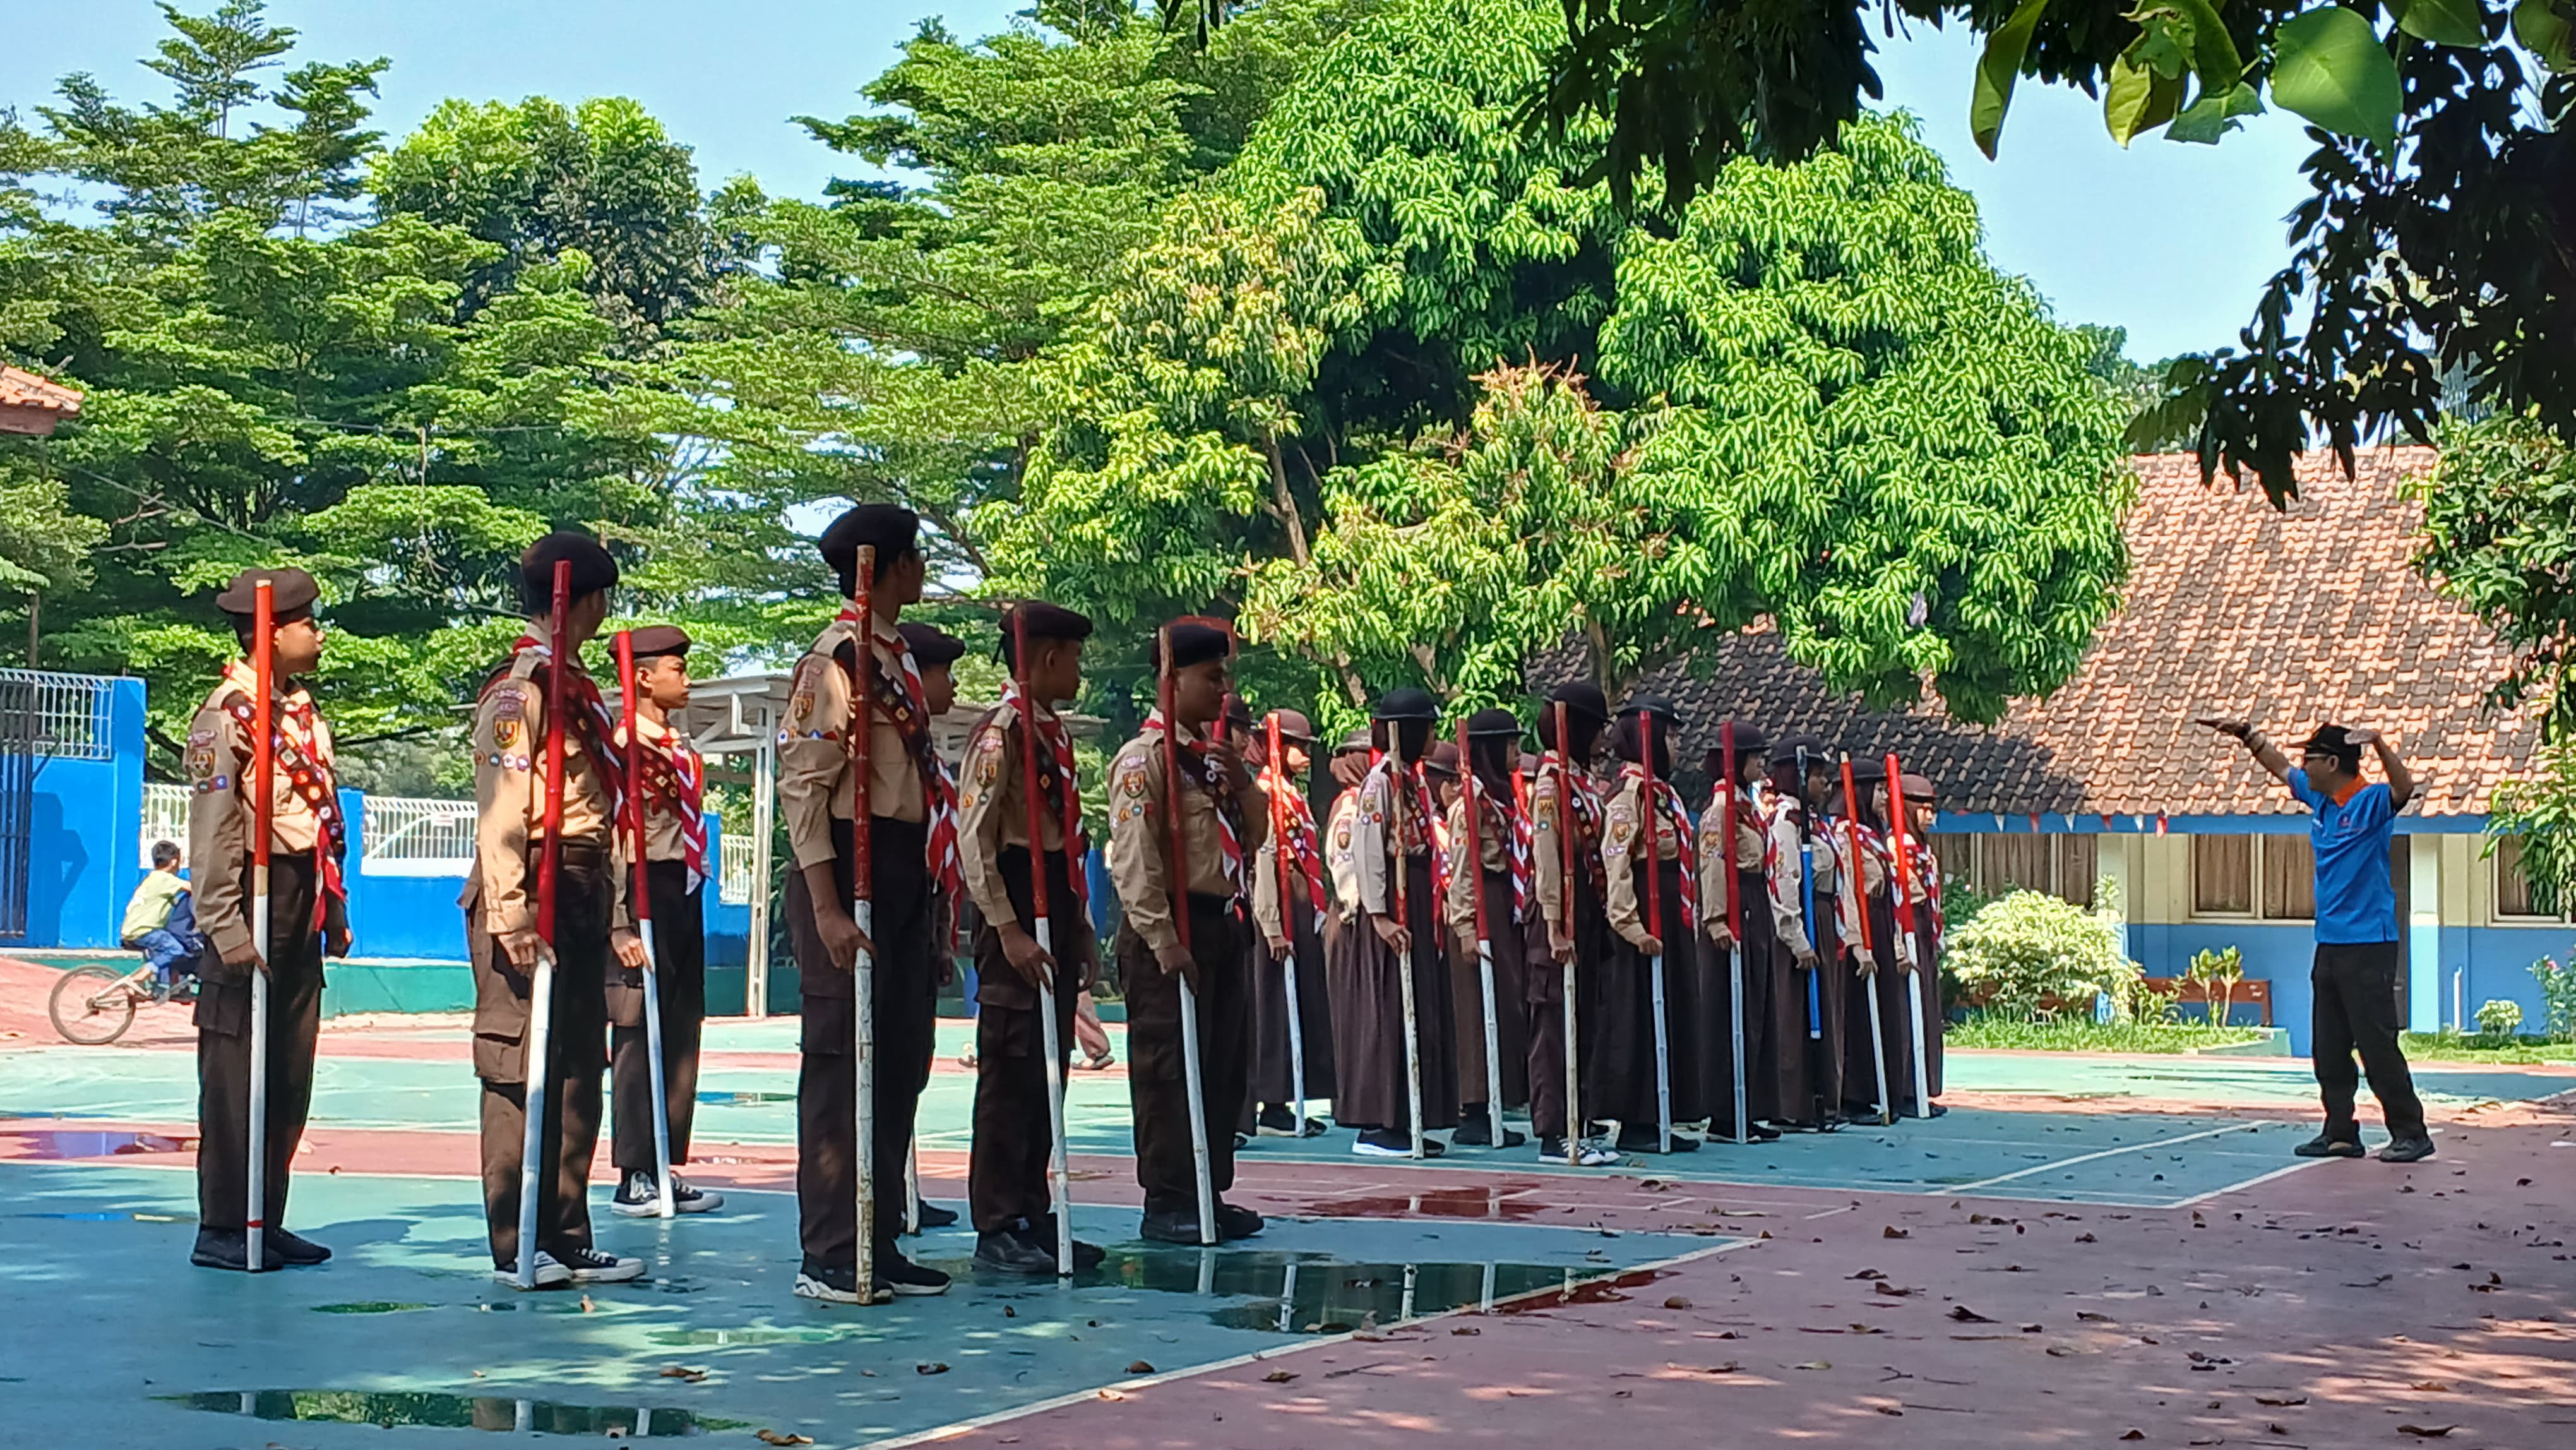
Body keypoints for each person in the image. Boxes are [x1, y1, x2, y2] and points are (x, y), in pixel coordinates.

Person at [778, 504, 955, 1301]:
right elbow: (805, 789)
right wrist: (825, 905)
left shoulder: (896, 660)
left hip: (899, 865)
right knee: (841, 1062)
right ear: (878, 570)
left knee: (899, 1058)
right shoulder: (836, 662)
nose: (922, 571)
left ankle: (877, 1235)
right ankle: (830, 1248)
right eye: (912, 558)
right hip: (847, 866)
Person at [463, 534, 649, 1291]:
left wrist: (609, 912)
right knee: (519, 1065)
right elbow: (503, 810)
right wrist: (509, 914)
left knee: (577, 1065)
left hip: (577, 882)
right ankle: (517, 1241)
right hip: (529, 878)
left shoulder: (578, 687)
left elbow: (600, 810)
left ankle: (566, 1232)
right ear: (585, 602)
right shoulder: (522, 690)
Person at [183, 566, 349, 1271]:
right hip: (249, 900)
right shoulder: (228, 713)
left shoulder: (299, 711)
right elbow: (216, 828)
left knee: (288, 1067)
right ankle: (225, 1222)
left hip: (298, 896)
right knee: (236, 1070)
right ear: (268, 632)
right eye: (305, 622)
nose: (316, 633)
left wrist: (331, 907)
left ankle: (265, 1212)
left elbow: (317, 820)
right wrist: (224, 925)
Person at [2201, 718, 2433, 1162]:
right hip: (2330, 941)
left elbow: (2404, 789)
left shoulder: (2369, 801)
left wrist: (2380, 744)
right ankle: (2341, 1133)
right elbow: (2281, 769)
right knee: (2328, 1046)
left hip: (2369, 944)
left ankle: (2411, 1133)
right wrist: (2248, 735)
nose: (2303, 765)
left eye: (2311, 757)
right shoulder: (2321, 800)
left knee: (2376, 1044)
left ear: (2332, 762)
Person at [1106, 619, 1268, 1241]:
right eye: (1211, 677)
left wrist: (1245, 781)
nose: (1222, 690)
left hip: (1223, 922)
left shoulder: (1212, 760)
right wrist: (1163, 939)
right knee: (1170, 1067)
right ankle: (1169, 1197)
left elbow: (1255, 837)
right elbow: (1134, 860)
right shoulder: (1145, 760)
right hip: (1171, 927)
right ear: (1173, 680)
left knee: (1221, 1066)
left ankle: (1209, 1186)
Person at [958, 601, 1106, 1276]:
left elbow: (1065, 840)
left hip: (1054, 891)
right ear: (1047, 657)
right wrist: (1008, 928)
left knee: (1049, 1070)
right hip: (1014, 895)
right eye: (1073, 656)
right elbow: (976, 839)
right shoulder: (1002, 736)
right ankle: (998, 1223)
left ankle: (1032, 1208)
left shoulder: (1050, 735)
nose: (1079, 670)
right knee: (1011, 1069)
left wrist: (1080, 923)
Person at [605, 625, 723, 1218]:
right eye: (677, 668)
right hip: (640, 881)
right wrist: (619, 920)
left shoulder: (678, 748)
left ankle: (663, 1161)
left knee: (681, 1024)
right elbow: (613, 834)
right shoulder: (625, 746)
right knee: (638, 1027)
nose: (688, 678)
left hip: (682, 883)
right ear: (644, 676)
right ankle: (633, 1171)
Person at [1332, 688, 1463, 1158]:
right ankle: (1379, 1125)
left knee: (1421, 1009)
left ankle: (1412, 1116)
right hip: (1392, 908)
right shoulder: (1380, 783)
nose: (1434, 736)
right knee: (1389, 1012)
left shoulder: (1414, 781)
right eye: (1427, 726)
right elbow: (1368, 851)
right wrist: (1381, 915)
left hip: (1421, 906)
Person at [1600, 695, 1704, 1153]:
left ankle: (1665, 1111)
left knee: (1673, 1012)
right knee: (1638, 1018)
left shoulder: (1664, 795)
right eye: (1669, 735)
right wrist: (1632, 925)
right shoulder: (1628, 797)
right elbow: (1616, 864)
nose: (1677, 745)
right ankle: (1638, 1120)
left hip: (1671, 918)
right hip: (1642, 919)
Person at [897, 620, 969, 1230]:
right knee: (886, 1059)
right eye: (944, 671)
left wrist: (944, 932)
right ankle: (885, 1191)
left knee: (915, 1056)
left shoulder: (934, 760)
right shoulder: (904, 749)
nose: (954, 685)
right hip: (895, 906)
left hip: (925, 913)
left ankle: (899, 1186)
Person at [1530, 683, 1617, 1166]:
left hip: (1585, 906)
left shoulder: (1580, 781)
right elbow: (1548, 856)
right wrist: (1553, 924)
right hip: (1558, 907)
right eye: (1598, 728)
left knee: (1582, 1017)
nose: (1604, 738)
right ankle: (1553, 1133)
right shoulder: (1551, 785)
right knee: (1554, 1020)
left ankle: (1577, 1123)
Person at [1445, 708, 1534, 1149]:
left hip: (1504, 903)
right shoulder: (1469, 802)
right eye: (1510, 745)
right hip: (1479, 905)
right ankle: (1476, 1109)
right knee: (1476, 1009)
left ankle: (1498, 1099)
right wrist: (1464, 925)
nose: (1517, 753)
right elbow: (1461, 867)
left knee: (1503, 1004)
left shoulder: (1501, 797)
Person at [1249, 709, 1334, 1137]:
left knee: (1298, 1002)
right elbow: (1265, 859)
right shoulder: (1266, 793)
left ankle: (1293, 1093)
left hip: (1298, 909)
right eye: (1298, 746)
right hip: (1277, 913)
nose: (1305, 754)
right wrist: (1271, 924)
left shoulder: (1292, 795)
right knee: (1274, 1008)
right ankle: (1274, 1100)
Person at [1697, 728, 1781, 1141]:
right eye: (1755, 758)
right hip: (1736, 907)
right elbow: (1712, 864)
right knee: (1730, 1011)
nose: (1762, 766)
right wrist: (1716, 918)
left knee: (1755, 1008)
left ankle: (1749, 1105)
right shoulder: (1721, 812)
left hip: (1756, 902)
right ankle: (1725, 1113)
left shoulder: (1747, 809)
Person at [1763, 734, 1847, 1132]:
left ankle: (1823, 1101)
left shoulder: (1813, 823)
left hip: (1823, 919)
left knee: (1823, 1012)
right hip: (1801, 925)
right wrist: (1797, 937)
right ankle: (1793, 1104)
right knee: (1795, 1018)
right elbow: (1785, 881)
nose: (1825, 785)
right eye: (1817, 777)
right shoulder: (1786, 824)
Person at [1835, 759, 1904, 1123]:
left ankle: (1882, 1090)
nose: (1883, 797)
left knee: (1886, 1010)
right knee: (1859, 1012)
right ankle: (1854, 1095)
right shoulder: (1846, 835)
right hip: (1860, 923)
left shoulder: (1875, 835)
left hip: (1880, 919)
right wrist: (1858, 943)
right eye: (1877, 790)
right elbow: (1848, 891)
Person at [1883, 769, 1946, 1117]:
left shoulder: (1921, 848)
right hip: (1907, 930)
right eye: (1923, 808)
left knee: (1927, 1010)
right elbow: (1901, 898)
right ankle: (1908, 1089)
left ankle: (1925, 1085)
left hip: (1925, 931)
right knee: (1909, 1011)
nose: (1930, 816)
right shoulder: (1897, 848)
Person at [122, 841, 201, 985]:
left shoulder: (152, 878)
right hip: (145, 931)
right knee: (176, 949)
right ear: (174, 862)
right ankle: (141, 976)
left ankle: (161, 984)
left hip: (133, 929)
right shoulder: (165, 879)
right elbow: (194, 888)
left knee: (167, 944)